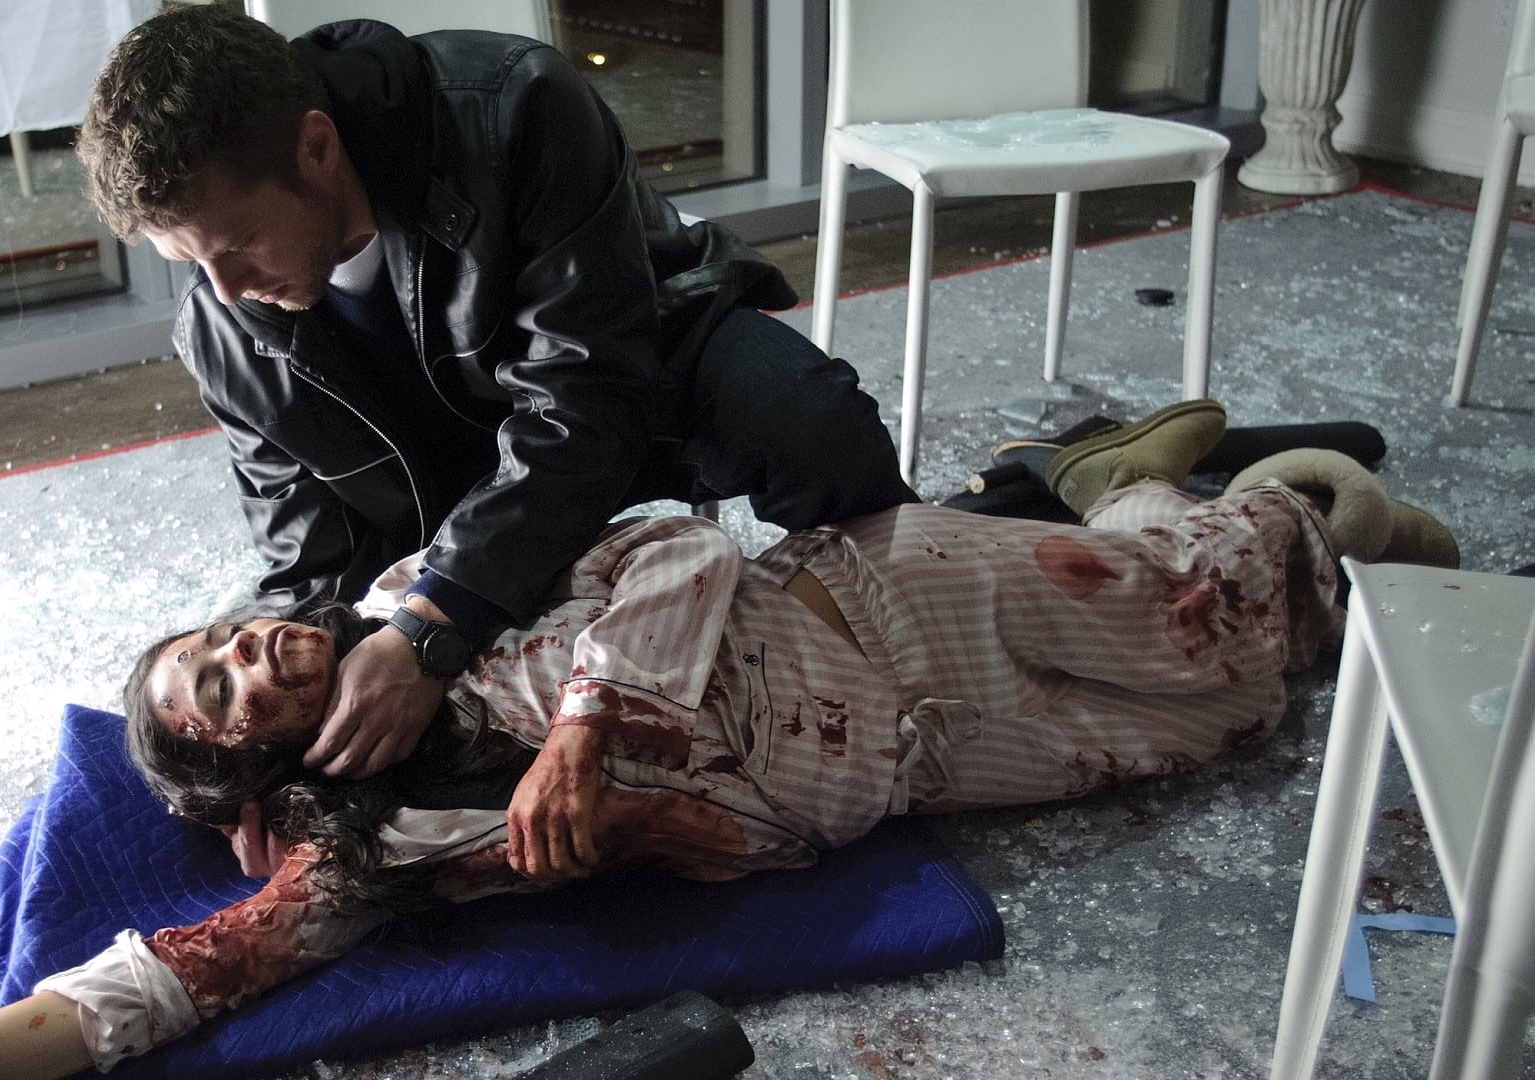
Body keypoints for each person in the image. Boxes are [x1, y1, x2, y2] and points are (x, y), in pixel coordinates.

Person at [0, 402, 1461, 1080]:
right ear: (260, 768)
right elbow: (165, 984)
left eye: (223, 640)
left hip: (868, 604)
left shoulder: (422, 595)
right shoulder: (363, 853)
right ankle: (1112, 481)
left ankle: (1269, 501)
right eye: (223, 697)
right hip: (898, 764)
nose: (248, 658)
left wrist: (585, 731)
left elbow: (675, 543)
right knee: (1231, 715)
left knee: (1214, 612)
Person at [74, 6, 917, 780]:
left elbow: (584, 402)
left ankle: (924, 634)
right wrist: (258, 773)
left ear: (317, 147)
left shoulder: (516, 107)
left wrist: (432, 626)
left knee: (814, 423)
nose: (224, 292)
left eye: (239, 245)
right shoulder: (220, 326)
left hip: (635, 371)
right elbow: (311, 560)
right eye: (192, 264)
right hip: (446, 485)